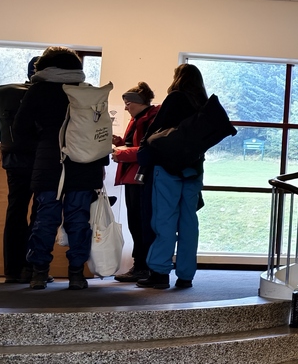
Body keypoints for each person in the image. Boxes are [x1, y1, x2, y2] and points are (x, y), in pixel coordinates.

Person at [14, 47, 109, 290]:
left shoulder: (39, 90)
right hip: (84, 164)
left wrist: (40, 147)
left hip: (49, 162)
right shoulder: (87, 91)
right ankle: (76, 274)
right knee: (79, 219)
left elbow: (20, 128)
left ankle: (39, 273)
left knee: (45, 218)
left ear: (46, 66)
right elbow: (101, 133)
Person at [139, 63, 207, 289]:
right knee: (189, 222)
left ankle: (159, 273)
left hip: (168, 168)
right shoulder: (204, 104)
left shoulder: (175, 98)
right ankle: (186, 275)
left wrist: (144, 154)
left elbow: (156, 130)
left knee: (164, 220)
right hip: (194, 169)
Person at [0, 57, 40, 283]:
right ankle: (32, 267)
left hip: (14, 160)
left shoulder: (11, 94)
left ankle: (12, 270)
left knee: (15, 212)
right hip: (40, 161)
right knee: (39, 214)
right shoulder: (46, 95)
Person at [111, 82, 158, 282]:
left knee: (142, 223)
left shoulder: (152, 119)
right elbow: (136, 144)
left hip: (142, 177)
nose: (125, 108)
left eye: (128, 104)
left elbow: (148, 150)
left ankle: (144, 267)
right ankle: (140, 266)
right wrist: (119, 142)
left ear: (140, 103)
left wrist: (121, 153)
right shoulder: (139, 119)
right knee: (135, 223)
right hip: (133, 177)